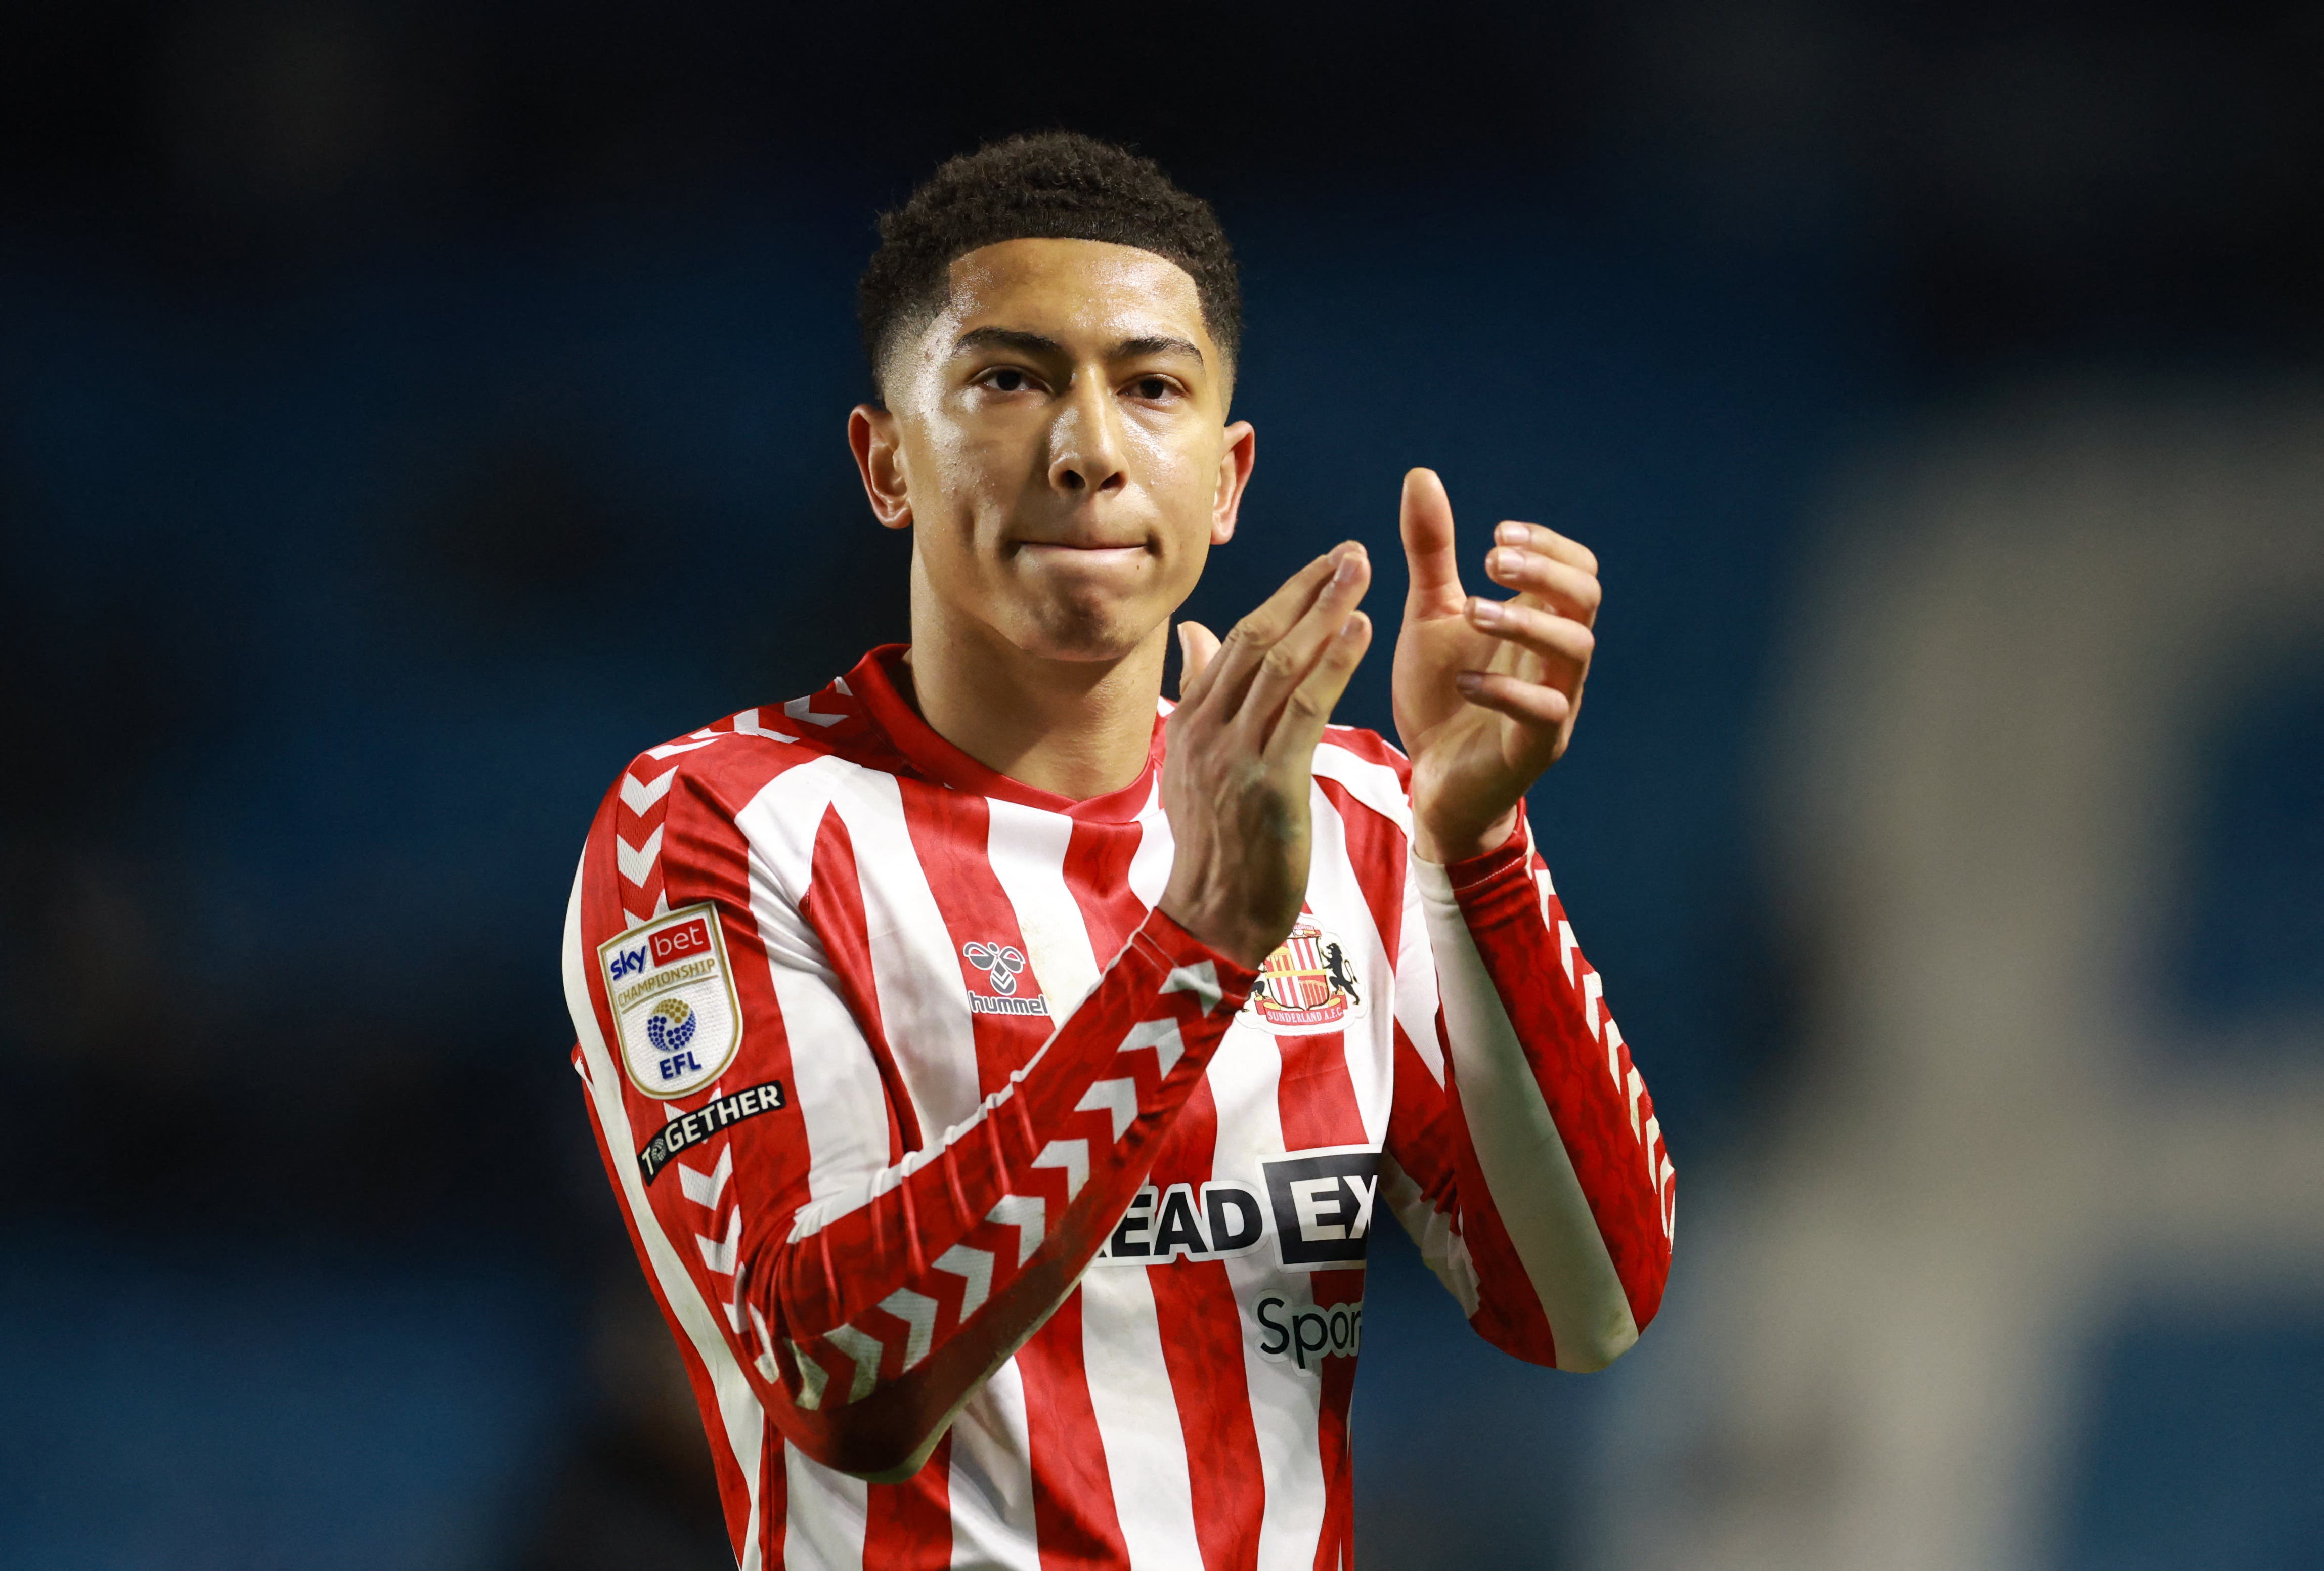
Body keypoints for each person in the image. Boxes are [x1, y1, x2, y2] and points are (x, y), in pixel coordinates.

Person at [560, 131, 1674, 1570]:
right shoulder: (714, 823)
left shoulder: (1353, 818)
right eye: (1008, 381)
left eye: (1150, 387)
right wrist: (1197, 945)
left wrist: (1480, 854)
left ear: (1225, 476)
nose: (1086, 448)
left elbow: (1586, 1307)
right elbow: (836, 1375)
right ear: (886, 460)